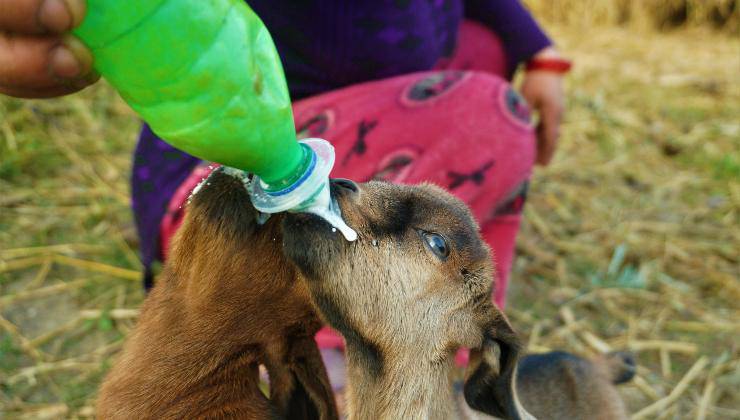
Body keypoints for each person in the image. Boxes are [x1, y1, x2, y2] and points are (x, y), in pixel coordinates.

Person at [0, 0, 569, 401]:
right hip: (228, 187)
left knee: (484, 46)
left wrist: (536, 49)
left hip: (299, 144)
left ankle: (421, 338)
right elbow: (386, 44)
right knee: (492, 118)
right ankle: (331, 348)